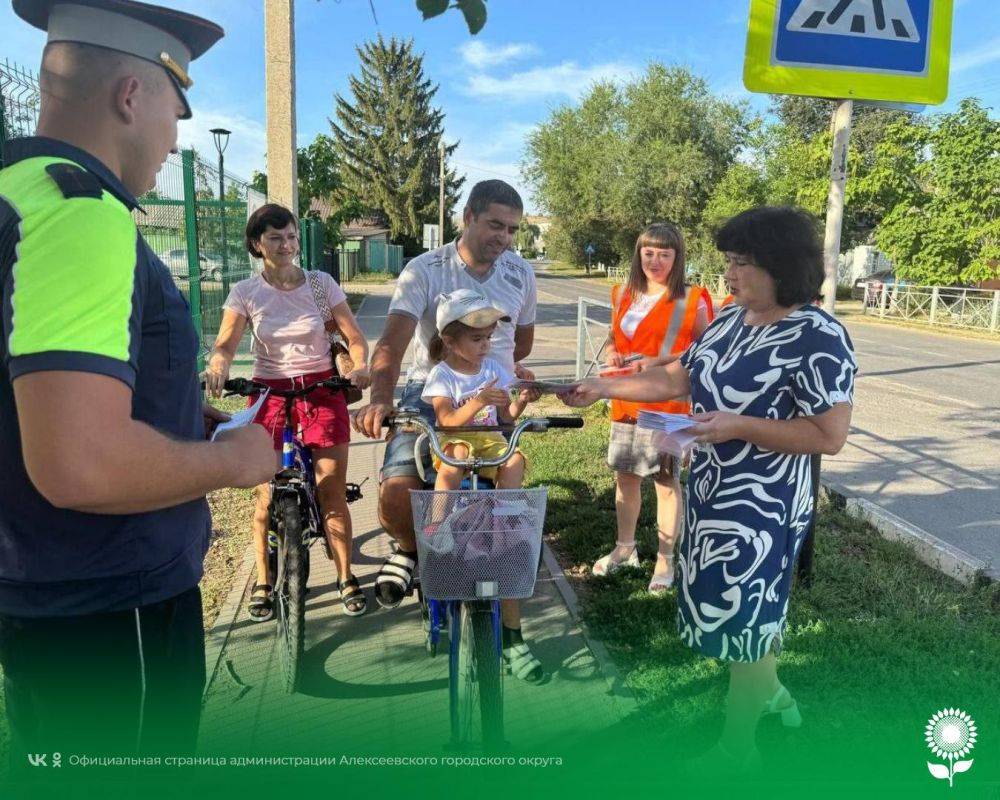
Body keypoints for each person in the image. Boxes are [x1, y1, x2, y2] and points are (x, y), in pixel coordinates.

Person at [0, 0, 275, 763]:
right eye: (175, 117)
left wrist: (190, 415)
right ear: (131, 95)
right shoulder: (81, 217)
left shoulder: (19, 194)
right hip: (112, 613)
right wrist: (234, 461)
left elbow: (41, 401)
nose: (170, 144)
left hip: (48, 597)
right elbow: (79, 462)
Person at [562, 207, 857, 772]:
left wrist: (736, 425)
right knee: (740, 618)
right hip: (712, 494)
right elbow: (680, 375)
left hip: (764, 509)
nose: (730, 274)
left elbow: (829, 435)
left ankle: (737, 748)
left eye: (742, 263)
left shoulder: (818, 335)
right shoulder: (730, 318)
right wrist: (603, 385)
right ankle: (769, 692)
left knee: (748, 619)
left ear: (782, 267)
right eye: (728, 261)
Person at [352, 180, 538, 610]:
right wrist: (380, 397)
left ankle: (504, 566)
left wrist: (504, 376)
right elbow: (393, 343)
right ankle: (410, 550)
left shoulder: (519, 272)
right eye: (495, 224)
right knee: (398, 490)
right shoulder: (425, 268)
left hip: (495, 393)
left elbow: (521, 344)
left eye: (512, 229)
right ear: (467, 217)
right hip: (432, 389)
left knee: (508, 479)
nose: (504, 238)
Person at [205, 204, 370, 619]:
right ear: (257, 244)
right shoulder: (245, 291)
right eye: (275, 238)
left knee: (332, 491)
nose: (287, 245)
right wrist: (219, 365)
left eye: (292, 236)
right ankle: (263, 580)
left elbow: (354, 336)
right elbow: (225, 344)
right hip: (268, 394)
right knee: (265, 496)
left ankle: (345, 575)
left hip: (321, 389)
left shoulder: (321, 284)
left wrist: (361, 365)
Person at [421, 290, 543, 682]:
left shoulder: (493, 367)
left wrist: (521, 400)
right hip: (457, 440)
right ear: (450, 340)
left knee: (515, 457)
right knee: (453, 453)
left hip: (489, 442)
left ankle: (509, 513)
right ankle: (437, 528)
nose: (486, 344)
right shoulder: (442, 374)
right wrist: (476, 400)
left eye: (489, 337)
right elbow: (448, 420)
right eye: (477, 338)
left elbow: (505, 418)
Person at [594, 223, 712, 592]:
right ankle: (625, 547)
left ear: (677, 257)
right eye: (649, 252)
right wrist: (614, 350)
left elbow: (706, 350)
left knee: (665, 481)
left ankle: (665, 561)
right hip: (625, 401)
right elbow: (616, 335)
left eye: (664, 253)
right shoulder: (622, 293)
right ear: (638, 253)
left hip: (668, 407)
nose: (655, 260)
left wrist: (656, 361)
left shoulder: (693, 298)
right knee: (625, 478)